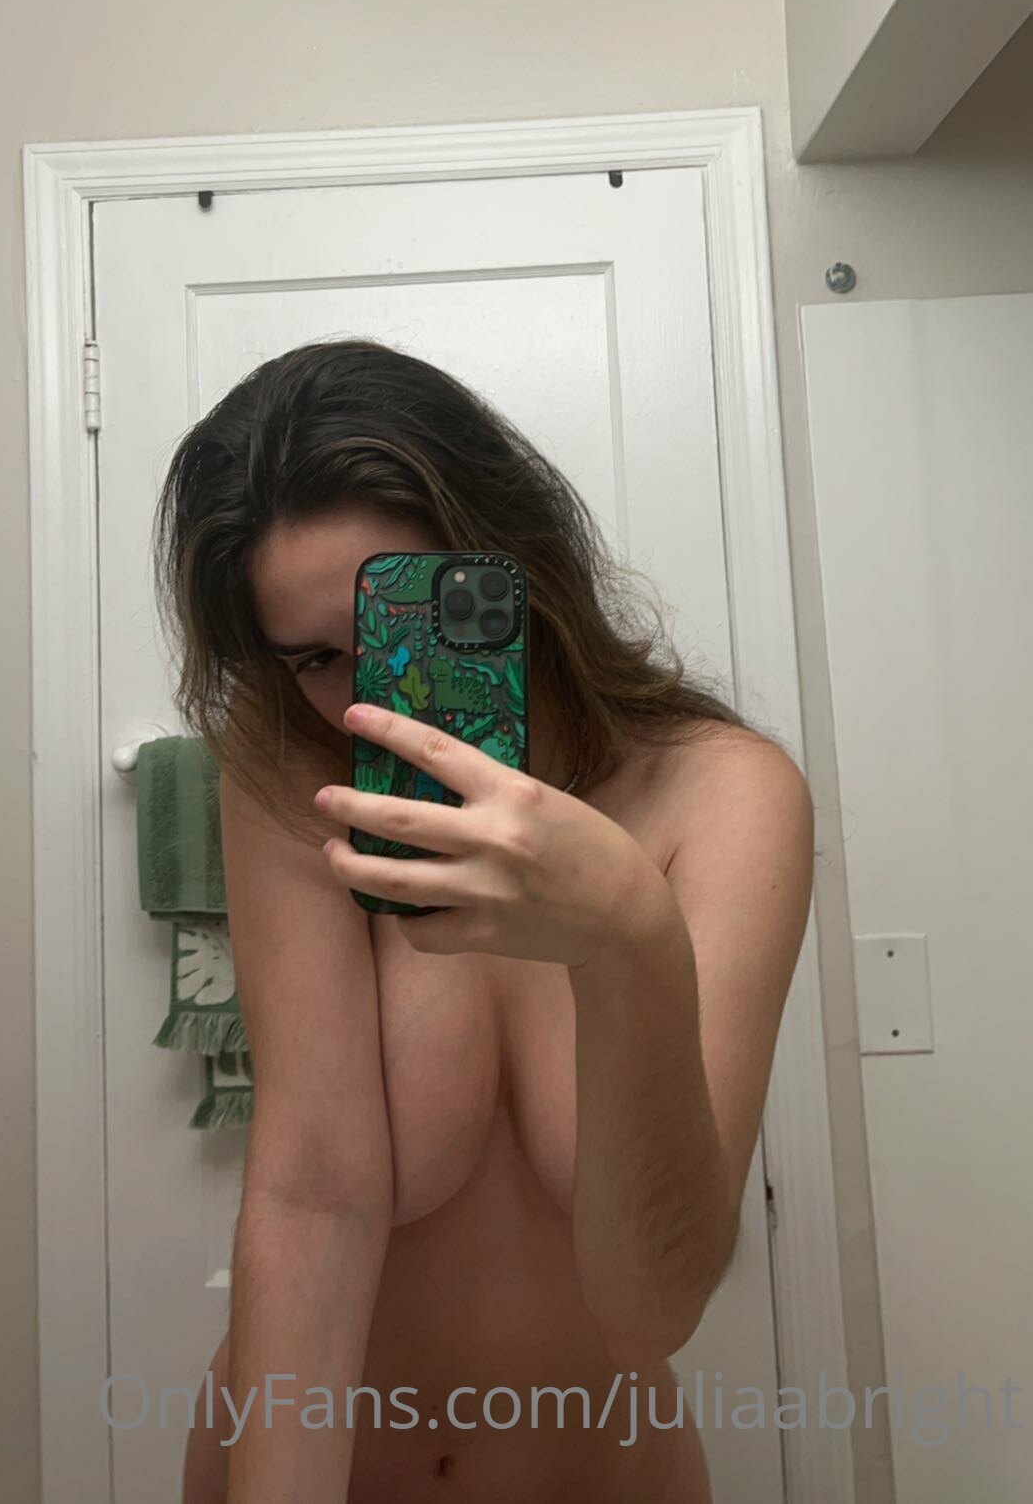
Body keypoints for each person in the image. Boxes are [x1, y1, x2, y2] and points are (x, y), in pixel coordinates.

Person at [152, 336, 813, 1504]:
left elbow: (653, 1300)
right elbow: (314, 1196)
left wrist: (627, 937)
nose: (370, 695)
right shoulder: (293, 767)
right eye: (316, 657)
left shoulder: (722, 796)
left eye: (402, 622)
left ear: (513, 552)